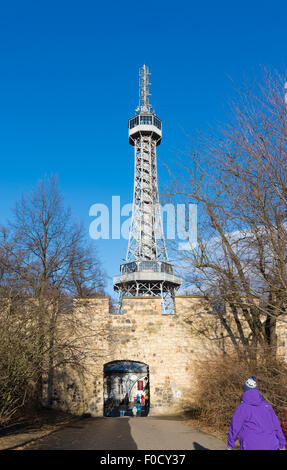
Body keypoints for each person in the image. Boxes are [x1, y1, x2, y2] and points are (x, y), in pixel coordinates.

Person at [227, 376, 286, 450]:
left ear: (245, 390)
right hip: (271, 445)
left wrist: (230, 445)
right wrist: (282, 444)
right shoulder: (267, 406)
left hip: (250, 445)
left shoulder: (242, 408)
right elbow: (276, 426)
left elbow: (234, 428)